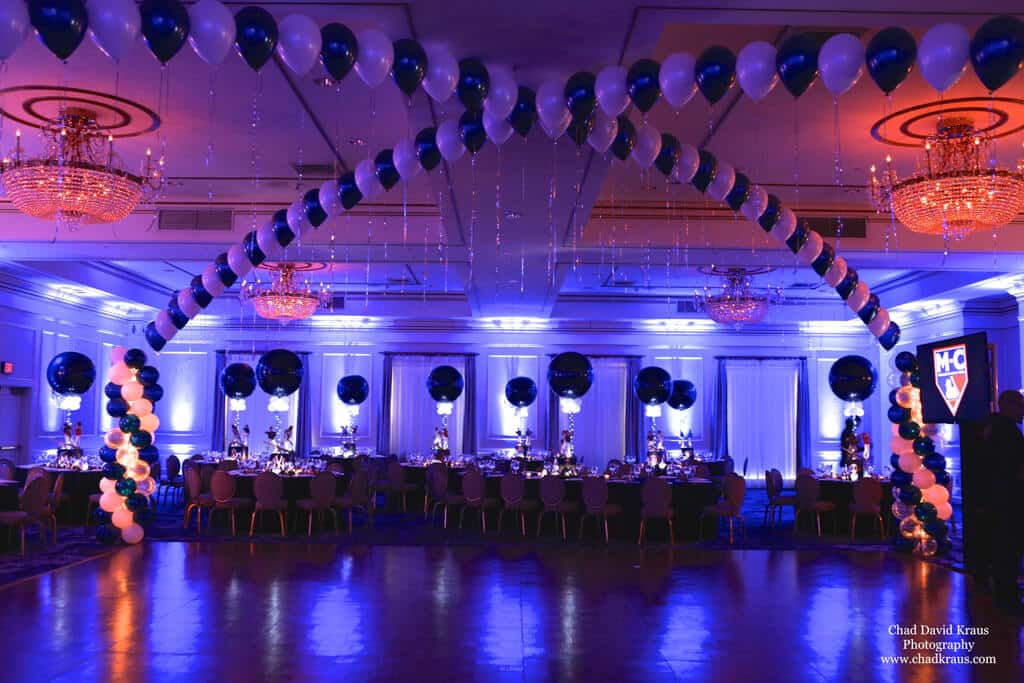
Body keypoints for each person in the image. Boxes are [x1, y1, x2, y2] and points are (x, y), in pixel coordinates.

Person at [981, 390, 1024, 613]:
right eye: (1020, 406)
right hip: (1010, 499)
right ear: (1009, 406)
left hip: (996, 499)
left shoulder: (991, 428)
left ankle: (1004, 597)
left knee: (1001, 549)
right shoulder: (1009, 432)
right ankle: (1009, 601)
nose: (1023, 411)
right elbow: (1014, 468)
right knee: (1009, 550)